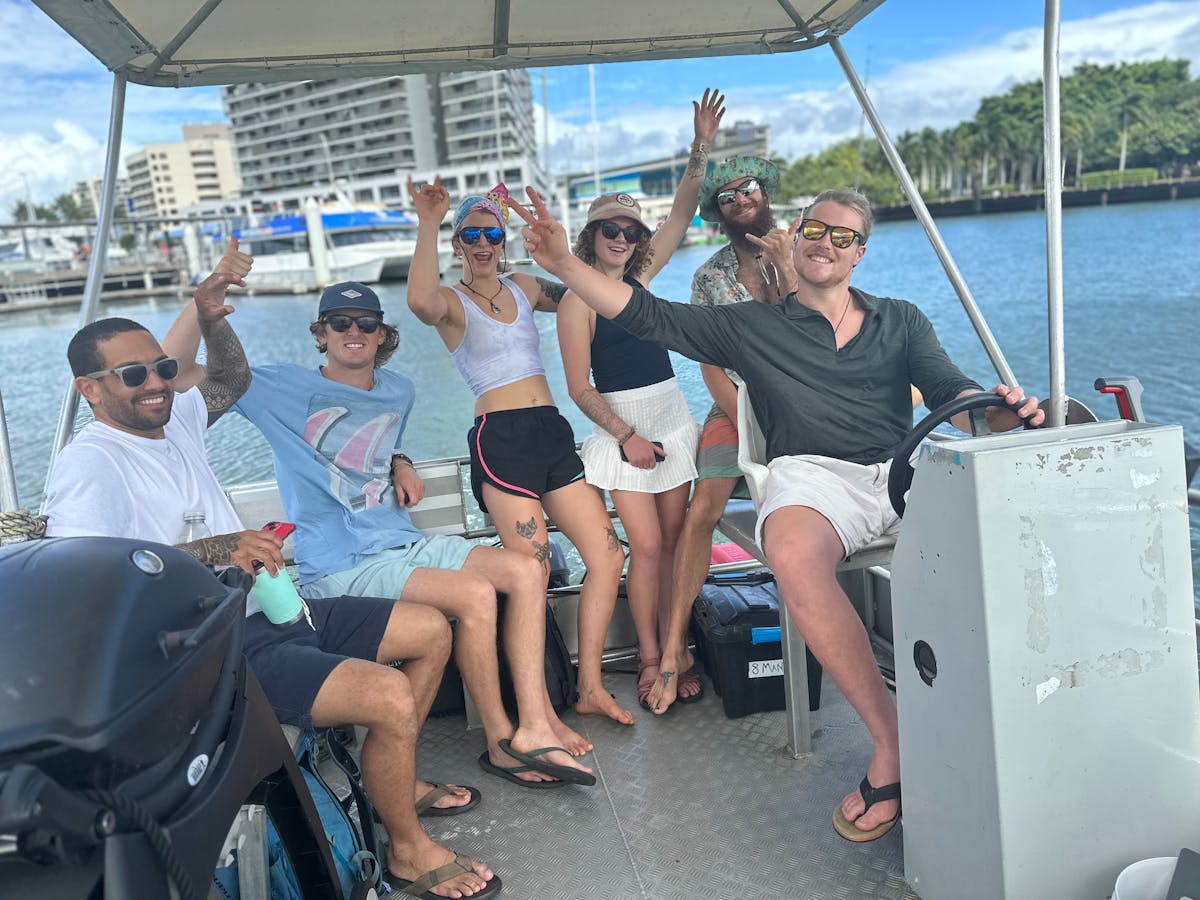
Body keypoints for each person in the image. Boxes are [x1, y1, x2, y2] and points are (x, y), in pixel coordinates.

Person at [513, 185, 1045, 843]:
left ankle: (1021, 719)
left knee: (1016, 533)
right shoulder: (752, 325)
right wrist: (567, 265)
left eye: (844, 237)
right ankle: (893, 746)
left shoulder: (901, 319)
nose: (827, 243)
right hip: (813, 477)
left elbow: (949, 391)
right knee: (791, 554)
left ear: (860, 254)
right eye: (816, 230)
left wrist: (998, 410)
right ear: (796, 235)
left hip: (902, 468)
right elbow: (651, 317)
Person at [43, 251, 500, 898]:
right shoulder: (90, 465)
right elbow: (81, 581)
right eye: (134, 373)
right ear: (90, 388)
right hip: (206, 656)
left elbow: (229, 377)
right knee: (388, 697)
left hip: (268, 608)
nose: (156, 382)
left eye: (164, 368)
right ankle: (406, 850)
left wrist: (209, 318)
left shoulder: (174, 421)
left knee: (430, 633)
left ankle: (389, 782)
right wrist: (214, 549)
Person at [164, 269, 596, 789]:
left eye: (366, 323)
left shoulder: (401, 390)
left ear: (382, 334)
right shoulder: (274, 388)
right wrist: (203, 306)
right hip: (345, 562)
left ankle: (537, 720)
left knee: (528, 570)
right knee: (477, 595)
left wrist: (402, 460)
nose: (354, 331)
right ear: (320, 333)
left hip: (404, 542)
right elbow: (176, 372)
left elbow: (370, 447)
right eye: (339, 322)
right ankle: (502, 740)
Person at [406, 176, 631, 726]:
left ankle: (589, 686)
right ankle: (537, 713)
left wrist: (558, 245)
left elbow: (588, 295)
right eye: (471, 235)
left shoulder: (527, 288)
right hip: (500, 440)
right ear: (458, 244)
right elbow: (417, 301)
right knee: (529, 571)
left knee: (607, 555)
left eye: (493, 234)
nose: (483, 244)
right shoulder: (453, 304)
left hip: (551, 431)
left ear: (503, 240)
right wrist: (428, 222)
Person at [556, 89, 723, 710]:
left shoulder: (643, 285)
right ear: (591, 235)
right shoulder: (577, 301)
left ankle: (681, 649)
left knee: (680, 543)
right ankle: (651, 658)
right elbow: (579, 387)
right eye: (610, 229)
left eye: (630, 230)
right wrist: (625, 435)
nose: (621, 238)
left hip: (671, 417)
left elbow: (682, 213)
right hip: (622, 427)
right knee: (647, 547)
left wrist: (700, 149)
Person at [643, 154, 786, 713]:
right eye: (727, 197)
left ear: (763, 192)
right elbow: (708, 360)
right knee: (702, 509)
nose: (740, 199)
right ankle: (676, 648)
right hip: (734, 407)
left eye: (747, 189)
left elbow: (816, 331)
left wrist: (783, 270)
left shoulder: (802, 251)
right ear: (719, 213)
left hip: (803, 403)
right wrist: (747, 415)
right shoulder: (709, 278)